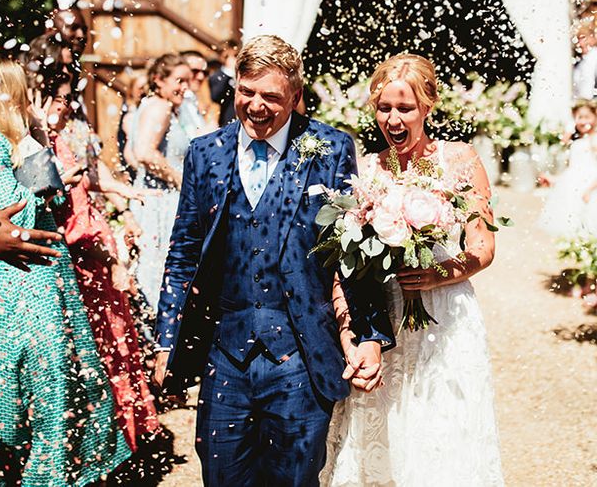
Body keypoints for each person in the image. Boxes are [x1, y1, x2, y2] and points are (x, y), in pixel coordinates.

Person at [154, 35, 393, 486]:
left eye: (272, 97)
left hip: (300, 355)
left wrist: (370, 335)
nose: (256, 106)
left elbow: (352, 248)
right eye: (247, 92)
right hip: (223, 355)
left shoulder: (329, 147)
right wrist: (167, 338)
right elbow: (184, 249)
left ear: (296, 97)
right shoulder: (206, 153)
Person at [0, 54, 130, 484]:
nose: (28, 98)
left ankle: (59, 474)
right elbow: (11, 219)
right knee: (41, 386)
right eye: (20, 89)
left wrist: (40, 148)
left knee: (65, 380)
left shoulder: (10, 140)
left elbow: (57, 205)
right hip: (21, 280)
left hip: (45, 276)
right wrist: (41, 163)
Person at [322, 53, 503, 487]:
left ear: (427, 106)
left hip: (444, 311)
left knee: (443, 416)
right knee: (387, 416)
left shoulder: (458, 160)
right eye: (385, 108)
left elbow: (484, 245)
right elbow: (347, 262)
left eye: (405, 108)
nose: (394, 118)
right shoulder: (367, 168)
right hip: (386, 309)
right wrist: (351, 326)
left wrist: (439, 274)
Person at [43, 73, 160, 452]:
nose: (66, 107)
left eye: (67, 100)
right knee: (98, 349)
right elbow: (67, 218)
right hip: (82, 259)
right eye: (58, 100)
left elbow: (89, 177)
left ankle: (124, 436)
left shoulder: (62, 139)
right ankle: (105, 439)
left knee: (116, 342)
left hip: (96, 251)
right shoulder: (36, 147)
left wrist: (119, 191)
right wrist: (109, 257)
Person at [129, 53, 192, 310]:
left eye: (188, 82)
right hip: (161, 204)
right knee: (159, 278)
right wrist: (183, 182)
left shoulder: (151, 105)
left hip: (154, 199)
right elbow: (144, 152)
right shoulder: (160, 107)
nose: (185, 87)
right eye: (180, 80)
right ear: (159, 79)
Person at [539, 101, 597, 237]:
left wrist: (589, 190)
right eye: (579, 117)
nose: (582, 121)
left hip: (589, 186)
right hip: (574, 185)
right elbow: (573, 168)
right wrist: (554, 180)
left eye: (586, 117)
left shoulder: (594, 140)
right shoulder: (577, 139)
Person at [208, 38, 240, 126]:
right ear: (220, 57)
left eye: (235, 55)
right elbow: (215, 96)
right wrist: (229, 72)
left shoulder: (242, 74)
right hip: (227, 121)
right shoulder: (217, 76)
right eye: (226, 57)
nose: (232, 59)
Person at [572, 13, 597, 101]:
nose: (580, 43)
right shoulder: (579, 62)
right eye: (578, 39)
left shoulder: (594, 57)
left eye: (584, 38)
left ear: (593, 37)